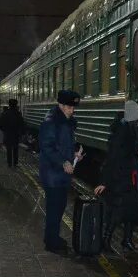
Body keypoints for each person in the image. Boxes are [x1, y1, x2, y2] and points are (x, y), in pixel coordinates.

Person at [94, 100, 138, 252]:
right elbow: (111, 159)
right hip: (119, 179)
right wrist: (104, 182)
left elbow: (131, 152)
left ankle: (127, 240)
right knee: (117, 212)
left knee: (132, 210)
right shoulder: (121, 134)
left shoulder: (129, 130)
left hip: (129, 177)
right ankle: (105, 240)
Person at [39, 89, 83, 253]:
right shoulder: (52, 122)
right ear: (61, 105)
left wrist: (74, 155)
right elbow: (47, 147)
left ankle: (52, 237)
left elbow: (62, 147)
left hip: (60, 174)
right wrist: (63, 162)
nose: (72, 110)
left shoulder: (64, 122)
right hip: (53, 174)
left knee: (58, 207)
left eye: (73, 107)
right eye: (69, 107)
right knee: (54, 208)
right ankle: (51, 243)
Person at [0, 98, 26, 168]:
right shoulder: (18, 114)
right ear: (16, 105)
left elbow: (1, 124)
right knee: (15, 148)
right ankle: (15, 163)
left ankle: (9, 163)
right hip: (16, 134)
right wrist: (22, 132)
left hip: (8, 133)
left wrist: (4, 130)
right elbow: (22, 124)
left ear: (9, 105)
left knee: (9, 149)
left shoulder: (5, 113)